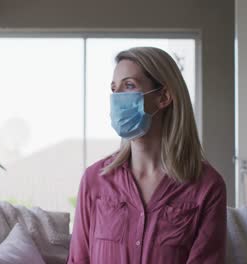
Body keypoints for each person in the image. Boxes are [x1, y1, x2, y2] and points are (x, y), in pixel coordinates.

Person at [67, 47, 227, 264]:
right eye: (115, 89)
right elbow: (79, 260)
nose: (117, 99)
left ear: (163, 97)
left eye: (129, 85)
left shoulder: (208, 186)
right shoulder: (94, 179)